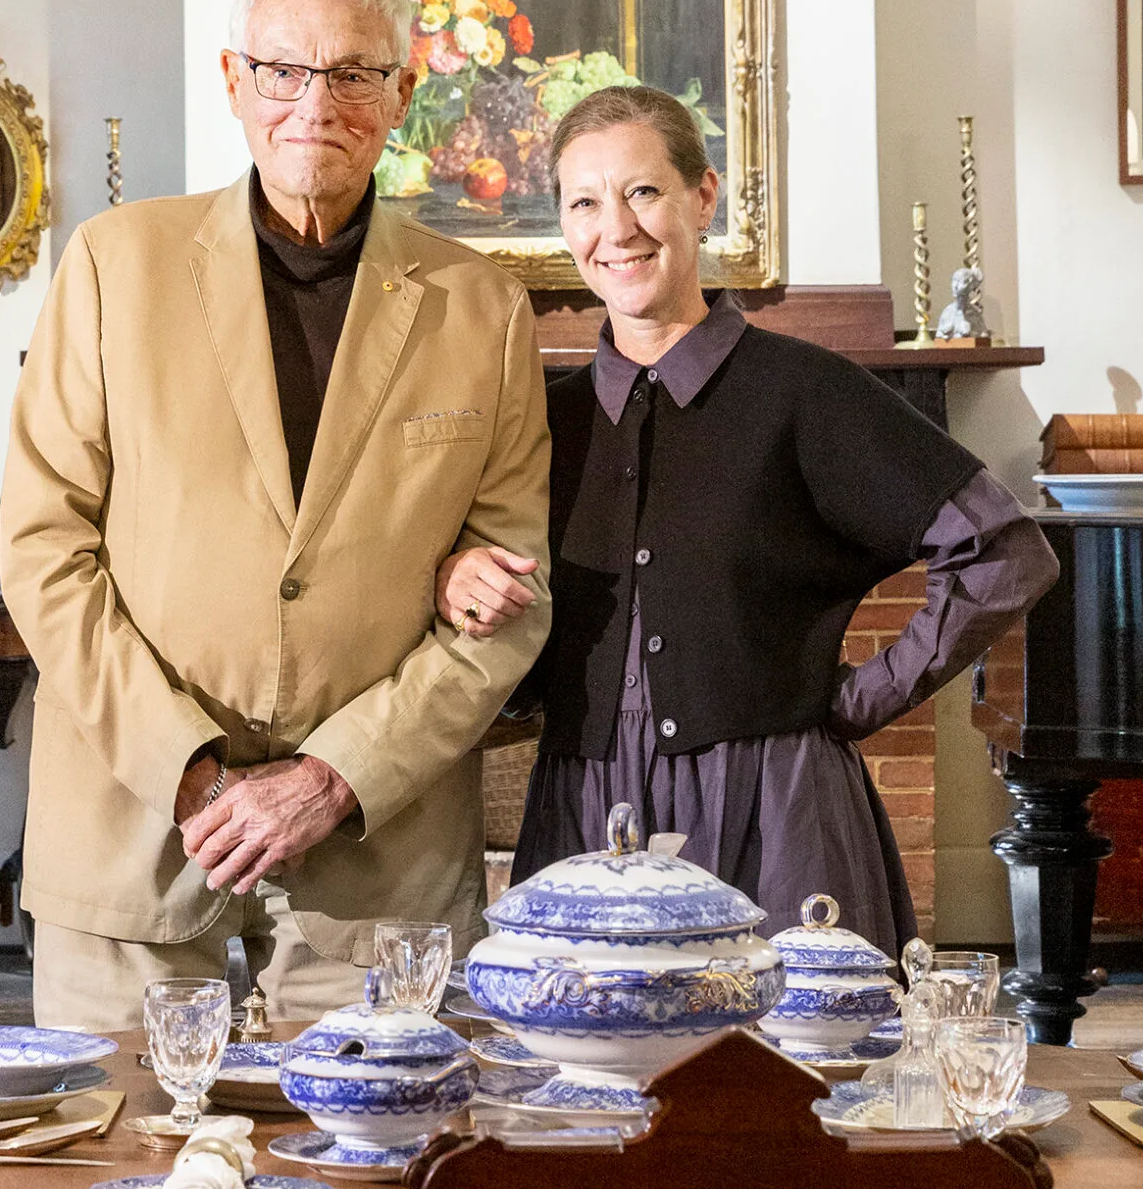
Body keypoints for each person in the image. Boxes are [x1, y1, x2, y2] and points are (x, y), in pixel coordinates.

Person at [0, 0, 551, 1189]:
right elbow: (44, 554)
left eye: (355, 76)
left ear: (403, 98)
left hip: (373, 853)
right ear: (234, 83)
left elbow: (507, 591)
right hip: (126, 831)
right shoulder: (112, 266)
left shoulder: (477, 303)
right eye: (285, 72)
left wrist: (329, 776)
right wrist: (183, 770)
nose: (317, 105)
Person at [436, 83, 1057, 953]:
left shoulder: (803, 391)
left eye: (642, 192)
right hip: (581, 814)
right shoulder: (542, 419)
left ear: (702, 197)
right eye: (584, 202)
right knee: (578, 1074)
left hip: (775, 811)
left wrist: (857, 698)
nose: (615, 230)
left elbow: (1004, 553)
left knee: (792, 1073)